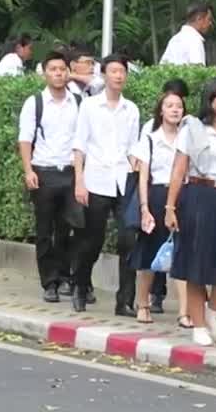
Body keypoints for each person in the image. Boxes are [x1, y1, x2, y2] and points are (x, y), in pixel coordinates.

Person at [165, 78, 216, 348]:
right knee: (196, 265)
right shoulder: (193, 129)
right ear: (209, 99)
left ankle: (213, 312)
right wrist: (170, 207)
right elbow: (179, 169)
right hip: (197, 197)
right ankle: (198, 325)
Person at [71, 55, 141, 315]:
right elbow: (79, 145)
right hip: (97, 179)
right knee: (92, 240)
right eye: (113, 71)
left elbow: (134, 147)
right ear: (103, 75)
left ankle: (124, 301)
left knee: (128, 240)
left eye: (122, 71)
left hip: (123, 181)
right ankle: (80, 285)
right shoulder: (89, 106)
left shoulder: (131, 109)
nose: (119, 76)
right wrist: (79, 181)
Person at [19, 50, 83, 303]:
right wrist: (28, 170)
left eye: (61, 69)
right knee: (45, 230)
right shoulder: (34, 102)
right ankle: (50, 282)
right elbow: (25, 139)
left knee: (73, 227)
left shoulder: (78, 102)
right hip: (44, 172)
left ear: (68, 72)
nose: (57, 74)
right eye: (52, 69)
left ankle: (69, 277)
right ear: (45, 73)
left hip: (70, 173)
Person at [131, 90, 185, 325]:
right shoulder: (150, 139)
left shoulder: (188, 140)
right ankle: (143, 304)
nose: (175, 110)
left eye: (179, 106)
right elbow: (143, 178)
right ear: (161, 111)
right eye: (170, 106)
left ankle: (185, 311)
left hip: (183, 196)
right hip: (156, 195)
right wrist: (144, 208)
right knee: (149, 252)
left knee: (184, 254)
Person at [159, 1, 213, 65]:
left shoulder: (174, 39)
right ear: (199, 19)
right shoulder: (195, 40)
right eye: (209, 19)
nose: (210, 23)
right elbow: (198, 72)